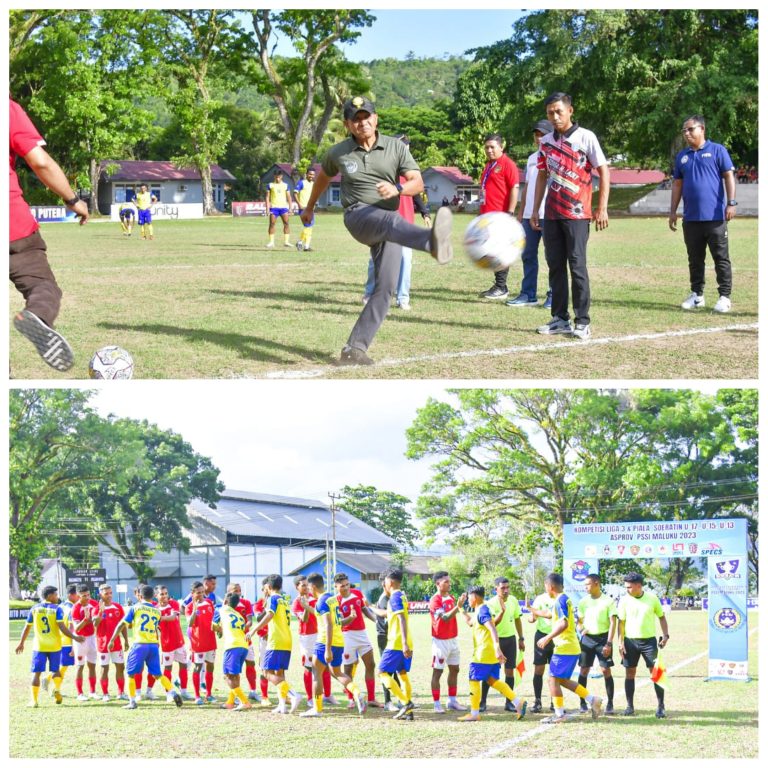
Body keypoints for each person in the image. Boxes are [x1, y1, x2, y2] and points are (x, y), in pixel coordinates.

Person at [299, 96, 454, 366]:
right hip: (358, 215)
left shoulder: (396, 147)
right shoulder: (338, 152)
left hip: (389, 220)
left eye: (366, 116)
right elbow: (323, 176)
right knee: (391, 222)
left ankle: (354, 349)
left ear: (376, 118)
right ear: (348, 124)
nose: (362, 122)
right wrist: (310, 207)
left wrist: (398, 189)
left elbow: (417, 182)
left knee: (386, 288)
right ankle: (432, 243)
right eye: (355, 119)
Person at [10, 97, 89, 372]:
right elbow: (40, 162)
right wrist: (71, 199)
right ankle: (37, 314)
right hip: (12, 227)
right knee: (43, 287)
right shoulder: (6, 109)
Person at [532, 91, 609, 340]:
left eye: (558, 111)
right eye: (550, 113)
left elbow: (603, 171)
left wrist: (602, 207)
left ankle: (583, 321)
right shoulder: (545, 142)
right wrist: (535, 209)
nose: (554, 117)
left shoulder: (586, 137)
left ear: (570, 111)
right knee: (555, 267)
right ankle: (559, 319)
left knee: (577, 266)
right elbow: (542, 175)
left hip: (577, 214)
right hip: (551, 214)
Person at [669, 115, 736, 314]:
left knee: (721, 258)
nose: (686, 133)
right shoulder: (682, 156)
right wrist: (673, 211)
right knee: (695, 259)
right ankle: (697, 295)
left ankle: (724, 297)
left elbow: (728, 176)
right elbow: (677, 184)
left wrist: (731, 203)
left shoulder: (717, 150)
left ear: (702, 129)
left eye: (690, 129)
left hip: (715, 218)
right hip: (691, 219)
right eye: (684, 131)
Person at [363, 133, 432, 311]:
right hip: (384, 220)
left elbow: (415, 192)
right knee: (376, 260)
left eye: (405, 147)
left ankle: (402, 298)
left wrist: (425, 212)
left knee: (405, 260)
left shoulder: (411, 170)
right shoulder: (383, 167)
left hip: (405, 222)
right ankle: (370, 293)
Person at [536, 573, 603, 724]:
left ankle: (559, 714)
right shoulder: (563, 599)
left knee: (552, 679)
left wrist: (547, 638)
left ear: (550, 586)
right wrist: (532, 609)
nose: (545, 589)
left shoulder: (560, 601)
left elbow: (563, 623)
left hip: (565, 647)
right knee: (562, 680)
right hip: (570, 647)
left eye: (545, 586)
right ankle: (593, 699)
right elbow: (550, 615)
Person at [457, 585, 527, 722]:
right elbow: (470, 622)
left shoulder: (482, 610)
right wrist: (460, 608)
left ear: (475, 597)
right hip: (489, 653)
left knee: (474, 679)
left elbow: (492, 628)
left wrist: (497, 647)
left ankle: (474, 713)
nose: (467, 600)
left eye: (469, 597)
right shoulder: (480, 609)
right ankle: (518, 702)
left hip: (483, 653)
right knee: (492, 680)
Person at [300, 572, 365, 717]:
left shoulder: (321, 601)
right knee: (336, 672)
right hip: (339, 641)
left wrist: (327, 649)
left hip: (324, 642)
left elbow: (328, 624)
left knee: (316, 674)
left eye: (309, 588)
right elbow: (331, 618)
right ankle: (357, 693)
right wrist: (306, 607)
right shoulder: (331, 598)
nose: (308, 590)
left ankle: (317, 709)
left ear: (313, 586)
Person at [107, 584, 182, 710]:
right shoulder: (157, 611)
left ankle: (132, 701)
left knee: (130, 674)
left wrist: (112, 639)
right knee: (157, 674)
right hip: (153, 646)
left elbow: (122, 624)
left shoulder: (135, 608)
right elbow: (156, 628)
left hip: (139, 645)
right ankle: (173, 692)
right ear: (152, 596)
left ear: (140, 596)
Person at [507, 119, 554, 308]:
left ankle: (553, 294)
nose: (538, 138)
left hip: (549, 214)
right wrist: (521, 212)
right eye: (536, 135)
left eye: (542, 134)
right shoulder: (532, 158)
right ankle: (528, 294)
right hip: (529, 215)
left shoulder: (557, 157)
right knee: (527, 255)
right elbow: (527, 187)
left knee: (553, 257)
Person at [15, 585, 84, 707]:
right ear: (49, 596)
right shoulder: (57, 609)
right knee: (56, 670)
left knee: (36, 673)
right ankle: (57, 688)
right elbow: (62, 627)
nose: (57, 597)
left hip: (39, 646)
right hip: (55, 646)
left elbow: (27, 627)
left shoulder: (35, 608)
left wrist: (21, 642)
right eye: (56, 595)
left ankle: (34, 701)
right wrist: (75, 637)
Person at [247, 573, 302, 715]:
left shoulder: (273, 598)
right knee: (279, 674)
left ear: (269, 586)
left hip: (276, 641)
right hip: (286, 640)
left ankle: (293, 694)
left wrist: (253, 630)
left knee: (266, 671)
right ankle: (282, 705)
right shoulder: (284, 600)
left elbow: (269, 615)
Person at [617, 572, 670, 719]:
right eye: (625, 587)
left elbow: (661, 617)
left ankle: (661, 706)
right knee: (629, 673)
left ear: (638, 586)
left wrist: (666, 635)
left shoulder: (652, 599)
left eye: (629, 587)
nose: (627, 589)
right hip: (630, 642)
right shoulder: (623, 601)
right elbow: (621, 623)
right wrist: (620, 642)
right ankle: (629, 706)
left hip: (649, 642)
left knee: (656, 674)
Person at [476, 133, 520, 300]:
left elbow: (514, 189)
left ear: (501, 147)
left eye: (492, 147)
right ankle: (499, 285)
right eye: (486, 147)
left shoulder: (507, 164)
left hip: (500, 215)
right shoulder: (489, 165)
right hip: (487, 216)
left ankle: (501, 287)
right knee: (491, 249)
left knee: (499, 250)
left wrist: (509, 213)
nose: (489, 150)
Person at [372, 568, 416, 720]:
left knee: (382, 672)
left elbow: (401, 619)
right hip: (404, 641)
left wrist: (403, 643)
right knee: (402, 674)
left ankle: (405, 703)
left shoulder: (395, 598)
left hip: (397, 642)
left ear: (389, 582)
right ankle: (409, 713)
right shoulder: (402, 596)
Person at [336, 573, 380, 709]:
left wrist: (375, 620)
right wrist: (350, 618)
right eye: (342, 586)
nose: (346, 588)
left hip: (362, 634)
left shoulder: (357, 593)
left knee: (371, 664)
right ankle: (351, 698)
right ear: (336, 587)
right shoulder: (336, 600)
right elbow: (338, 623)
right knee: (348, 668)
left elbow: (364, 609)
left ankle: (372, 698)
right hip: (347, 636)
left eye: (347, 585)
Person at [482, 576, 525, 712]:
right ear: (496, 589)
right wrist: (502, 611)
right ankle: (482, 701)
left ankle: (509, 703)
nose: (506, 590)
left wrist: (521, 638)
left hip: (511, 640)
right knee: (490, 673)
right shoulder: (490, 604)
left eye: (508, 587)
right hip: (496, 641)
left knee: (510, 672)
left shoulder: (513, 601)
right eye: (503, 588)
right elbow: (493, 624)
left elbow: (518, 619)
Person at [576, 573, 617, 715]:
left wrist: (609, 643)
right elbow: (579, 621)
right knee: (583, 670)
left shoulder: (608, 601)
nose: (585, 587)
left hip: (603, 639)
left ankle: (610, 703)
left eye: (587, 584)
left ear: (596, 583)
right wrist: (581, 628)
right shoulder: (583, 601)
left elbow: (613, 623)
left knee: (606, 670)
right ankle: (582, 702)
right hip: (587, 640)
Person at [428, 571, 467, 713]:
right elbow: (444, 618)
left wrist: (459, 607)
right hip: (440, 641)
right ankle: (437, 704)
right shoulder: (435, 600)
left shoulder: (450, 597)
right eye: (446, 582)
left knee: (455, 669)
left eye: (449, 581)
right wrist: (458, 606)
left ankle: (452, 701)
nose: (449, 584)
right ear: (438, 584)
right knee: (438, 672)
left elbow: (455, 613)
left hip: (453, 639)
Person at [292, 575, 331, 706]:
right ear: (296, 587)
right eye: (302, 585)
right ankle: (310, 698)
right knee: (309, 667)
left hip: (319, 635)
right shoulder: (297, 602)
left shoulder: (317, 598)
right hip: (306, 637)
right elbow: (304, 619)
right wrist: (306, 607)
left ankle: (328, 695)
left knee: (324, 665)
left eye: (306, 585)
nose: (306, 587)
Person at [212, 592, 253, 711]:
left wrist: (220, 630)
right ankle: (230, 702)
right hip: (244, 646)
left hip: (232, 646)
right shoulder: (239, 615)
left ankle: (244, 702)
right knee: (235, 675)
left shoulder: (220, 608)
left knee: (227, 676)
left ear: (225, 601)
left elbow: (214, 626)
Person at [156, 585, 194, 701]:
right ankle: (169, 693)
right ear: (156, 596)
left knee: (183, 665)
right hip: (166, 644)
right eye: (161, 594)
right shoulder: (154, 608)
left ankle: (184, 691)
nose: (164, 596)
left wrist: (160, 617)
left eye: (165, 593)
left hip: (179, 641)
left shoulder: (173, 604)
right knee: (168, 668)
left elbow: (173, 617)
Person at [92, 583, 128, 701]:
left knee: (120, 667)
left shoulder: (118, 607)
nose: (109, 595)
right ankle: (105, 694)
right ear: (100, 594)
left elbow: (123, 626)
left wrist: (126, 640)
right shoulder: (96, 608)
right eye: (106, 593)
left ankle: (121, 692)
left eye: (110, 593)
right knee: (104, 668)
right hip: (103, 645)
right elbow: (95, 625)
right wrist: (100, 614)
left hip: (117, 644)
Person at [186, 580, 218, 704]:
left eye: (202, 592)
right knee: (198, 667)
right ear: (192, 593)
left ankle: (209, 694)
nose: (201, 595)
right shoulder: (189, 607)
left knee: (210, 667)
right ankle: (197, 696)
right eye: (198, 593)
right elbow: (190, 623)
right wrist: (194, 609)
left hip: (211, 641)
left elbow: (213, 620)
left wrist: (218, 628)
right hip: (198, 643)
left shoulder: (209, 602)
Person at [228, 582, 260, 702]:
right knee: (235, 670)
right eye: (235, 590)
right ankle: (236, 694)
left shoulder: (246, 603)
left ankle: (253, 691)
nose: (238, 592)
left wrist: (243, 628)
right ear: (229, 592)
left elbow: (250, 621)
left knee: (251, 664)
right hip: (234, 642)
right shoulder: (228, 606)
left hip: (246, 640)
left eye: (239, 590)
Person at [526, 587, 556, 713]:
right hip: (541, 636)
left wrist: (530, 608)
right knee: (539, 669)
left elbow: (549, 615)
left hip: (556, 637)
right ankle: (538, 701)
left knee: (555, 671)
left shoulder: (560, 598)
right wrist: (531, 617)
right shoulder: (540, 599)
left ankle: (555, 701)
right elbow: (533, 618)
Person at [71, 585, 100, 701]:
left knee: (92, 665)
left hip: (92, 637)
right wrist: (85, 620)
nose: (87, 597)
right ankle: (80, 693)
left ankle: (92, 692)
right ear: (78, 596)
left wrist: (99, 615)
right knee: (80, 666)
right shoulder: (75, 608)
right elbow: (77, 628)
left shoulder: (93, 603)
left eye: (88, 595)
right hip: (80, 639)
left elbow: (97, 621)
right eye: (84, 596)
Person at [266, 170, 292, 248]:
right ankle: (271, 242)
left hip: (283, 208)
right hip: (274, 208)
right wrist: (267, 208)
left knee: (286, 224)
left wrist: (290, 208)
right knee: (272, 224)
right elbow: (267, 197)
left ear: (281, 176)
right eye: (276, 177)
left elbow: (289, 197)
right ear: (274, 176)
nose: (277, 178)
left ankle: (286, 242)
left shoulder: (286, 185)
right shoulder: (270, 185)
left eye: (279, 177)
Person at [293, 167, 316, 251]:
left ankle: (305, 245)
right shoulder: (301, 183)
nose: (311, 176)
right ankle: (302, 243)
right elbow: (295, 193)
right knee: (308, 226)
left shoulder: (314, 184)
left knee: (309, 227)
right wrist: (299, 204)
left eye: (313, 174)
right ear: (306, 174)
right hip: (303, 208)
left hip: (311, 209)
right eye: (310, 174)